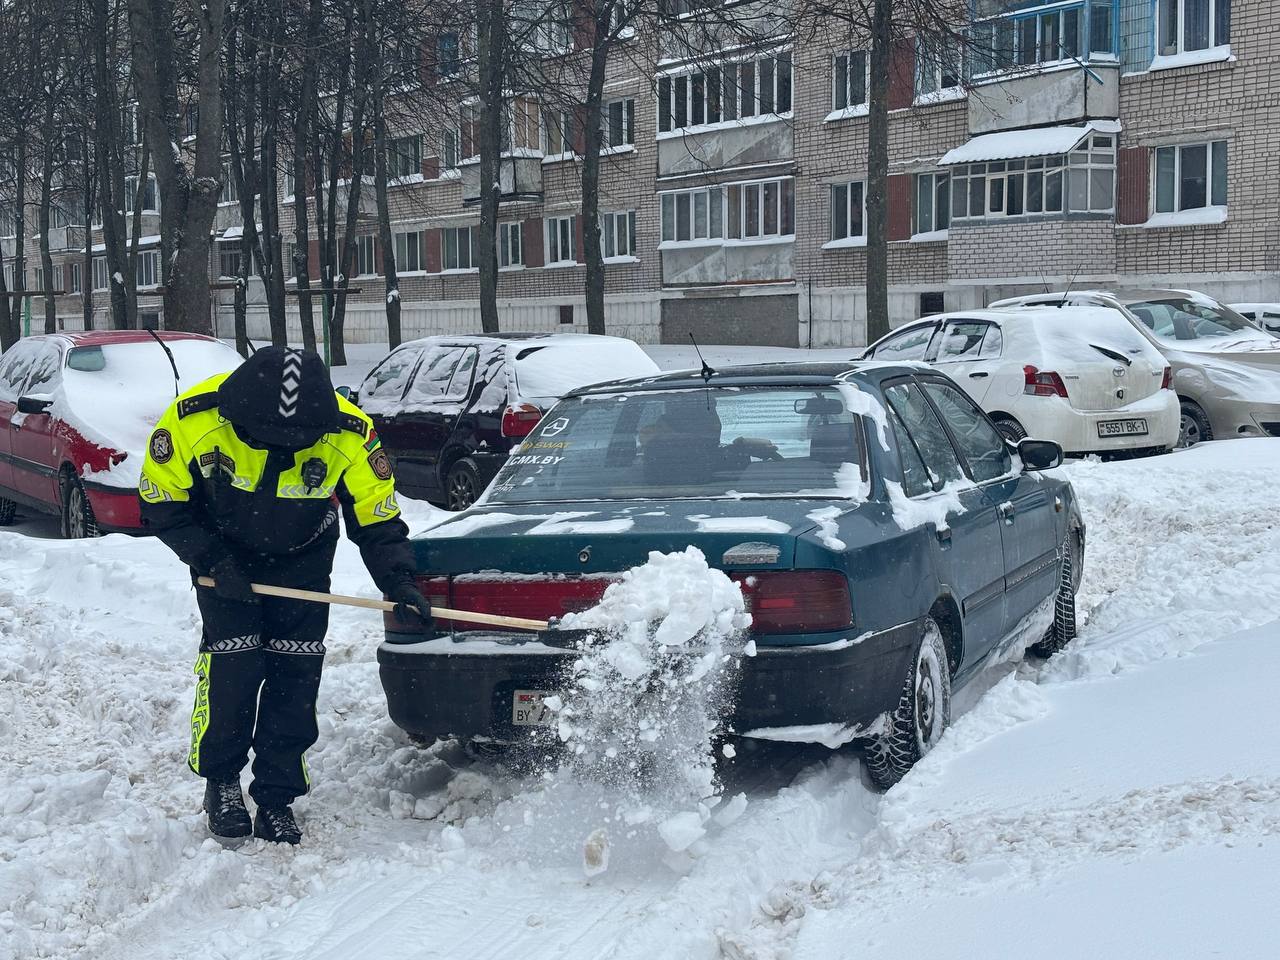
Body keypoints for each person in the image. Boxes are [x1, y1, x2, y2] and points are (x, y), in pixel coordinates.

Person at [139, 346, 432, 845]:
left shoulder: (350, 433)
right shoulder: (194, 419)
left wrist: (399, 581)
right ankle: (222, 782)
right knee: (233, 669)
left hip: (303, 557)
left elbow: (378, 517)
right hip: (223, 558)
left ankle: (276, 795)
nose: (283, 448)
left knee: (294, 676)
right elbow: (159, 501)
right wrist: (211, 560)